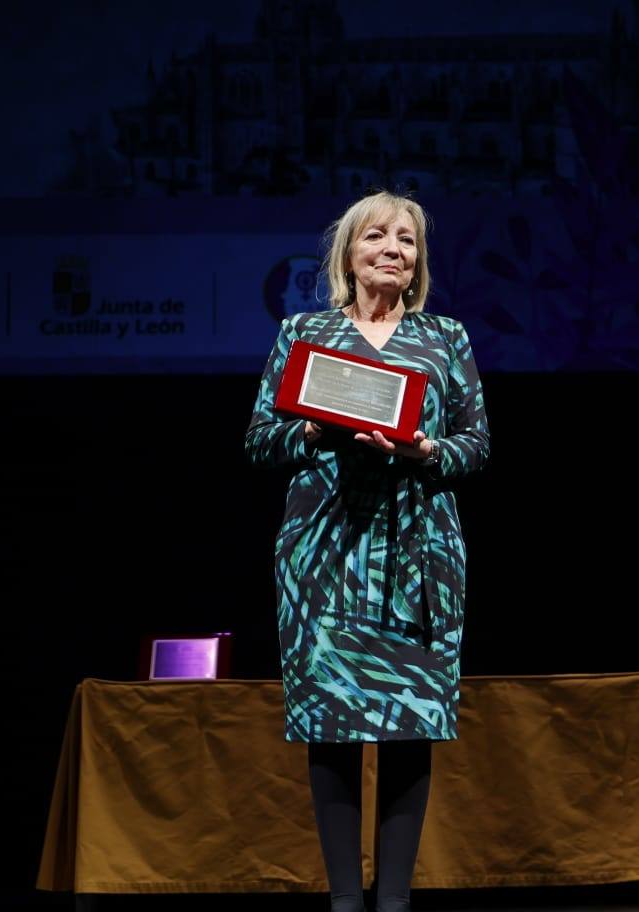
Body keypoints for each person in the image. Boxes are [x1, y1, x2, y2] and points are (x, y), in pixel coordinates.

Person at [246, 190, 490, 912]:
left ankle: (396, 901)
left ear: (418, 264)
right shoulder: (305, 333)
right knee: (333, 724)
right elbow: (261, 441)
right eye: (378, 236)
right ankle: (346, 900)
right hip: (324, 554)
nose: (393, 249)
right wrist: (315, 432)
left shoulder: (446, 339)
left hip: (419, 555)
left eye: (407, 241)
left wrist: (425, 450)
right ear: (348, 254)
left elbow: (477, 445)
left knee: (412, 723)